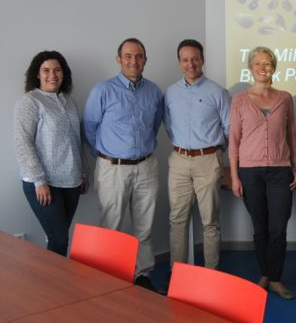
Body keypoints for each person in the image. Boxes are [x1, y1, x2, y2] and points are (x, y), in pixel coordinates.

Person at [83, 38, 163, 291]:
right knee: (111, 226)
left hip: (146, 167)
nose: (133, 61)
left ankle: (143, 275)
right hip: (112, 168)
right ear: (118, 59)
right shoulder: (102, 90)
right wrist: (107, 156)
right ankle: (109, 277)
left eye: (139, 56)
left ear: (145, 60)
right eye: (128, 56)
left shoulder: (153, 91)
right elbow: (89, 127)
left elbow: (155, 125)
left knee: (145, 227)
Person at [229, 46, 296, 300]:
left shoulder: (285, 98)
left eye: (267, 63)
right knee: (260, 229)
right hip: (250, 172)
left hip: (280, 170)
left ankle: (276, 278)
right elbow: (234, 141)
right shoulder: (239, 100)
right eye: (257, 63)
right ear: (250, 68)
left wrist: (294, 166)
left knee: (278, 228)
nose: (262, 67)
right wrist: (235, 177)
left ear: (274, 67)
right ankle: (265, 275)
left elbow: (292, 135)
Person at [164, 39, 230, 272]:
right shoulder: (171, 93)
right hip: (179, 160)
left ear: (203, 60)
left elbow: (229, 128)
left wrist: (216, 155)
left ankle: (210, 276)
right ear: (179, 62)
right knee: (177, 220)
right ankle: (177, 275)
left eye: (195, 59)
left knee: (209, 222)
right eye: (185, 59)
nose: (190, 64)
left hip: (208, 160)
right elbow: (169, 125)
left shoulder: (218, 92)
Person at [13, 51, 88, 256]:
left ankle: (54, 282)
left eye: (57, 70)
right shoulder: (30, 101)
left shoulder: (69, 101)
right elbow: (22, 142)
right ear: (37, 74)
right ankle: (52, 286)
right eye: (46, 70)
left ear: (64, 73)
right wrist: (39, 180)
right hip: (44, 183)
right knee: (59, 238)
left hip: (71, 181)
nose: (52, 75)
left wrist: (83, 173)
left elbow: (76, 139)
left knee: (60, 236)